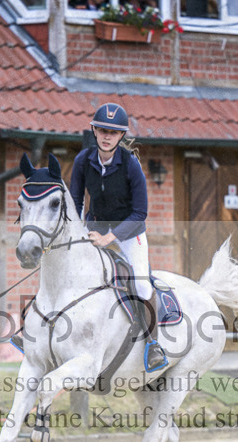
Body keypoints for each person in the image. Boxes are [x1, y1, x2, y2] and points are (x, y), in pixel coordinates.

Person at [68, 102, 167, 372]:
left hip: (129, 234)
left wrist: (110, 238)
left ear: (121, 136)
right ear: (95, 131)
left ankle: (152, 345)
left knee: (143, 286)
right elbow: (75, 202)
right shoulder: (82, 161)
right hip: (94, 228)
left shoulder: (131, 165)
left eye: (113, 131)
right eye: (102, 130)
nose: (107, 135)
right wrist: (76, 233)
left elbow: (140, 213)